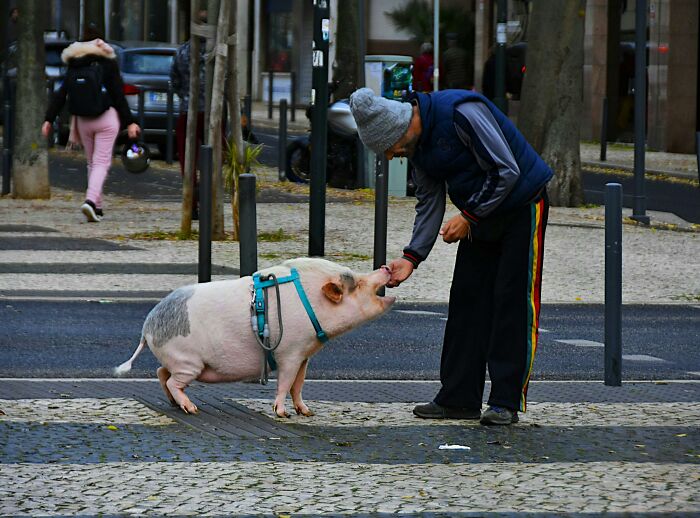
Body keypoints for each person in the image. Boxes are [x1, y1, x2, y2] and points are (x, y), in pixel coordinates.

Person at [348, 87, 552, 426]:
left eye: (389, 148)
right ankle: (459, 398)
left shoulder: (460, 112)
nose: (391, 156)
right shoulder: (418, 149)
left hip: (522, 205)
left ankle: (505, 401)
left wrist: (469, 216)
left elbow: (507, 170)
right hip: (481, 212)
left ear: (402, 130)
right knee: (466, 303)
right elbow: (429, 202)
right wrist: (412, 257)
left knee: (511, 303)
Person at [42, 36, 140, 222]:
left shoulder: (74, 64)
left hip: (83, 120)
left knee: (91, 163)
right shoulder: (107, 63)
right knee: (102, 163)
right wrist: (130, 122)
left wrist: (48, 119)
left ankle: (98, 207)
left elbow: (61, 94)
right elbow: (117, 94)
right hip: (106, 118)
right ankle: (91, 201)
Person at [170, 9, 207, 220]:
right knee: (215, 160)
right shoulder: (216, 51)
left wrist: (185, 95)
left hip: (187, 110)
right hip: (213, 113)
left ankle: (191, 202)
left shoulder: (182, 52)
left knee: (188, 160)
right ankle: (210, 199)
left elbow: (173, 79)